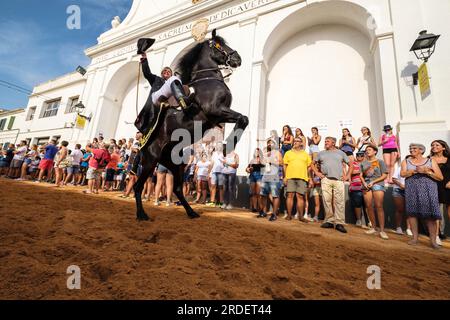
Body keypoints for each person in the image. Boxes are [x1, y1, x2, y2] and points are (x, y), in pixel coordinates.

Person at [135, 51, 189, 134]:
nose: (167, 72)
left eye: (168, 71)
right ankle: (183, 101)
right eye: (164, 71)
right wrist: (144, 59)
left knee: (181, 84)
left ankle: (183, 104)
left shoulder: (173, 81)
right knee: (174, 79)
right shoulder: (156, 79)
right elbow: (147, 73)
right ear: (162, 74)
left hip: (168, 102)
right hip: (156, 99)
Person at [401, 143, 443, 249]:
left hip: (428, 190)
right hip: (412, 189)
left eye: (414, 148)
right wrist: (414, 171)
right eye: (410, 148)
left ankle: (433, 241)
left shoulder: (430, 161)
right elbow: (402, 174)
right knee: (412, 214)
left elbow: (440, 177)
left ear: (421, 150)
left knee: (431, 215)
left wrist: (427, 172)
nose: (411, 150)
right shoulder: (405, 161)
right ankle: (415, 238)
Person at [312, 137, 350, 233]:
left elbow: (351, 164)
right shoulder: (321, 153)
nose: (325, 143)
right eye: (325, 141)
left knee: (339, 202)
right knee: (326, 200)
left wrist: (347, 176)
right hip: (326, 179)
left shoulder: (341, 153)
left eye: (327, 141)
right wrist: (317, 173)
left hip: (338, 180)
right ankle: (329, 221)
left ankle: (339, 223)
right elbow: (312, 164)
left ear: (333, 143)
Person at [360, 146, 389, 240]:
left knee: (379, 206)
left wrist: (374, 182)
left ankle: (382, 230)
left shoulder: (380, 161)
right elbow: (361, 175)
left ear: (375, 151)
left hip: (378, 184)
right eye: (366, 150)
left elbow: (384, 175)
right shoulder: (363, 162)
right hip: (366, 185)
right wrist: (364, 182)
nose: (367, 151)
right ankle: (373, 227)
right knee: (368, 206)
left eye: (369, 150)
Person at [283, 137, 311, 222]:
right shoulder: (288, 153)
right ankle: (289, 215)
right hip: (290, 177)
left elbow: (309, 166)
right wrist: (285, 177)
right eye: (294, 141)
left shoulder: (305, 154)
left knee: (300, 197)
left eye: (297, 141)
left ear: (301, 143)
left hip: (302, 177)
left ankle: (301, 217)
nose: (295, 142)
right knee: (290, 196)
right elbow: (285, 165)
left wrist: (308, 176)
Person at [430, 140, 450, 245]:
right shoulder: (429, 160)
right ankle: (437, 234)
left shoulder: (449, 159)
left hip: (448, 187)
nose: (434, 146)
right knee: (437, 213)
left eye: (437, 145)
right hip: (435, 187)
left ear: (443, 147)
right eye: (432, 145)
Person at [258, 138, 283, 221]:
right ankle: (263, 212)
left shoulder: (277, 152)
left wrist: (272, 161)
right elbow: (262, 164)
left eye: (271, 143)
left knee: (275, 195)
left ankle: (274, 214)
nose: (269, 144)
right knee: (262, 195)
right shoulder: (265, 153)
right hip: (265, 176)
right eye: (268, 143)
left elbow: (282, 163)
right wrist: (261, 161)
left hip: (274, 177)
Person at [347, 151, 366, 227]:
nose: (359, 157)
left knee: (368, 205)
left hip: (366, 187)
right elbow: (350, 173)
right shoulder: (353, 164)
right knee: (357, 204)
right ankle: (358, 220)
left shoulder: (367, 163)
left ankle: (369, 221)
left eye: (361, 155)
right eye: (358, 155)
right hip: (356, 187)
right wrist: (361, 171)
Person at [392, 162, 411, 236]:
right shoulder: (399, 168)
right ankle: (398, 228)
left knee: (410, 210)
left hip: (411, 190)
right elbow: (394, 179)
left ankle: (409, 229)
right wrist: (401, 185)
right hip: (398, 190)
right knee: (399, 209)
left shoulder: (415, 169)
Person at [246, 148, 264, 213]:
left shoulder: (262, 160)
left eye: (258, 152)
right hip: (252, 176)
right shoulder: (252, 160)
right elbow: (247, 168)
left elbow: (264, 167)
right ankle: (254, 208)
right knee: (253, 193)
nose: (257, 153)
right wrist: (248, 169)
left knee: (258, 193)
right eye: (255, 152)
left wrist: (260, 162)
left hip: (259, 176)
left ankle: (260, 208)